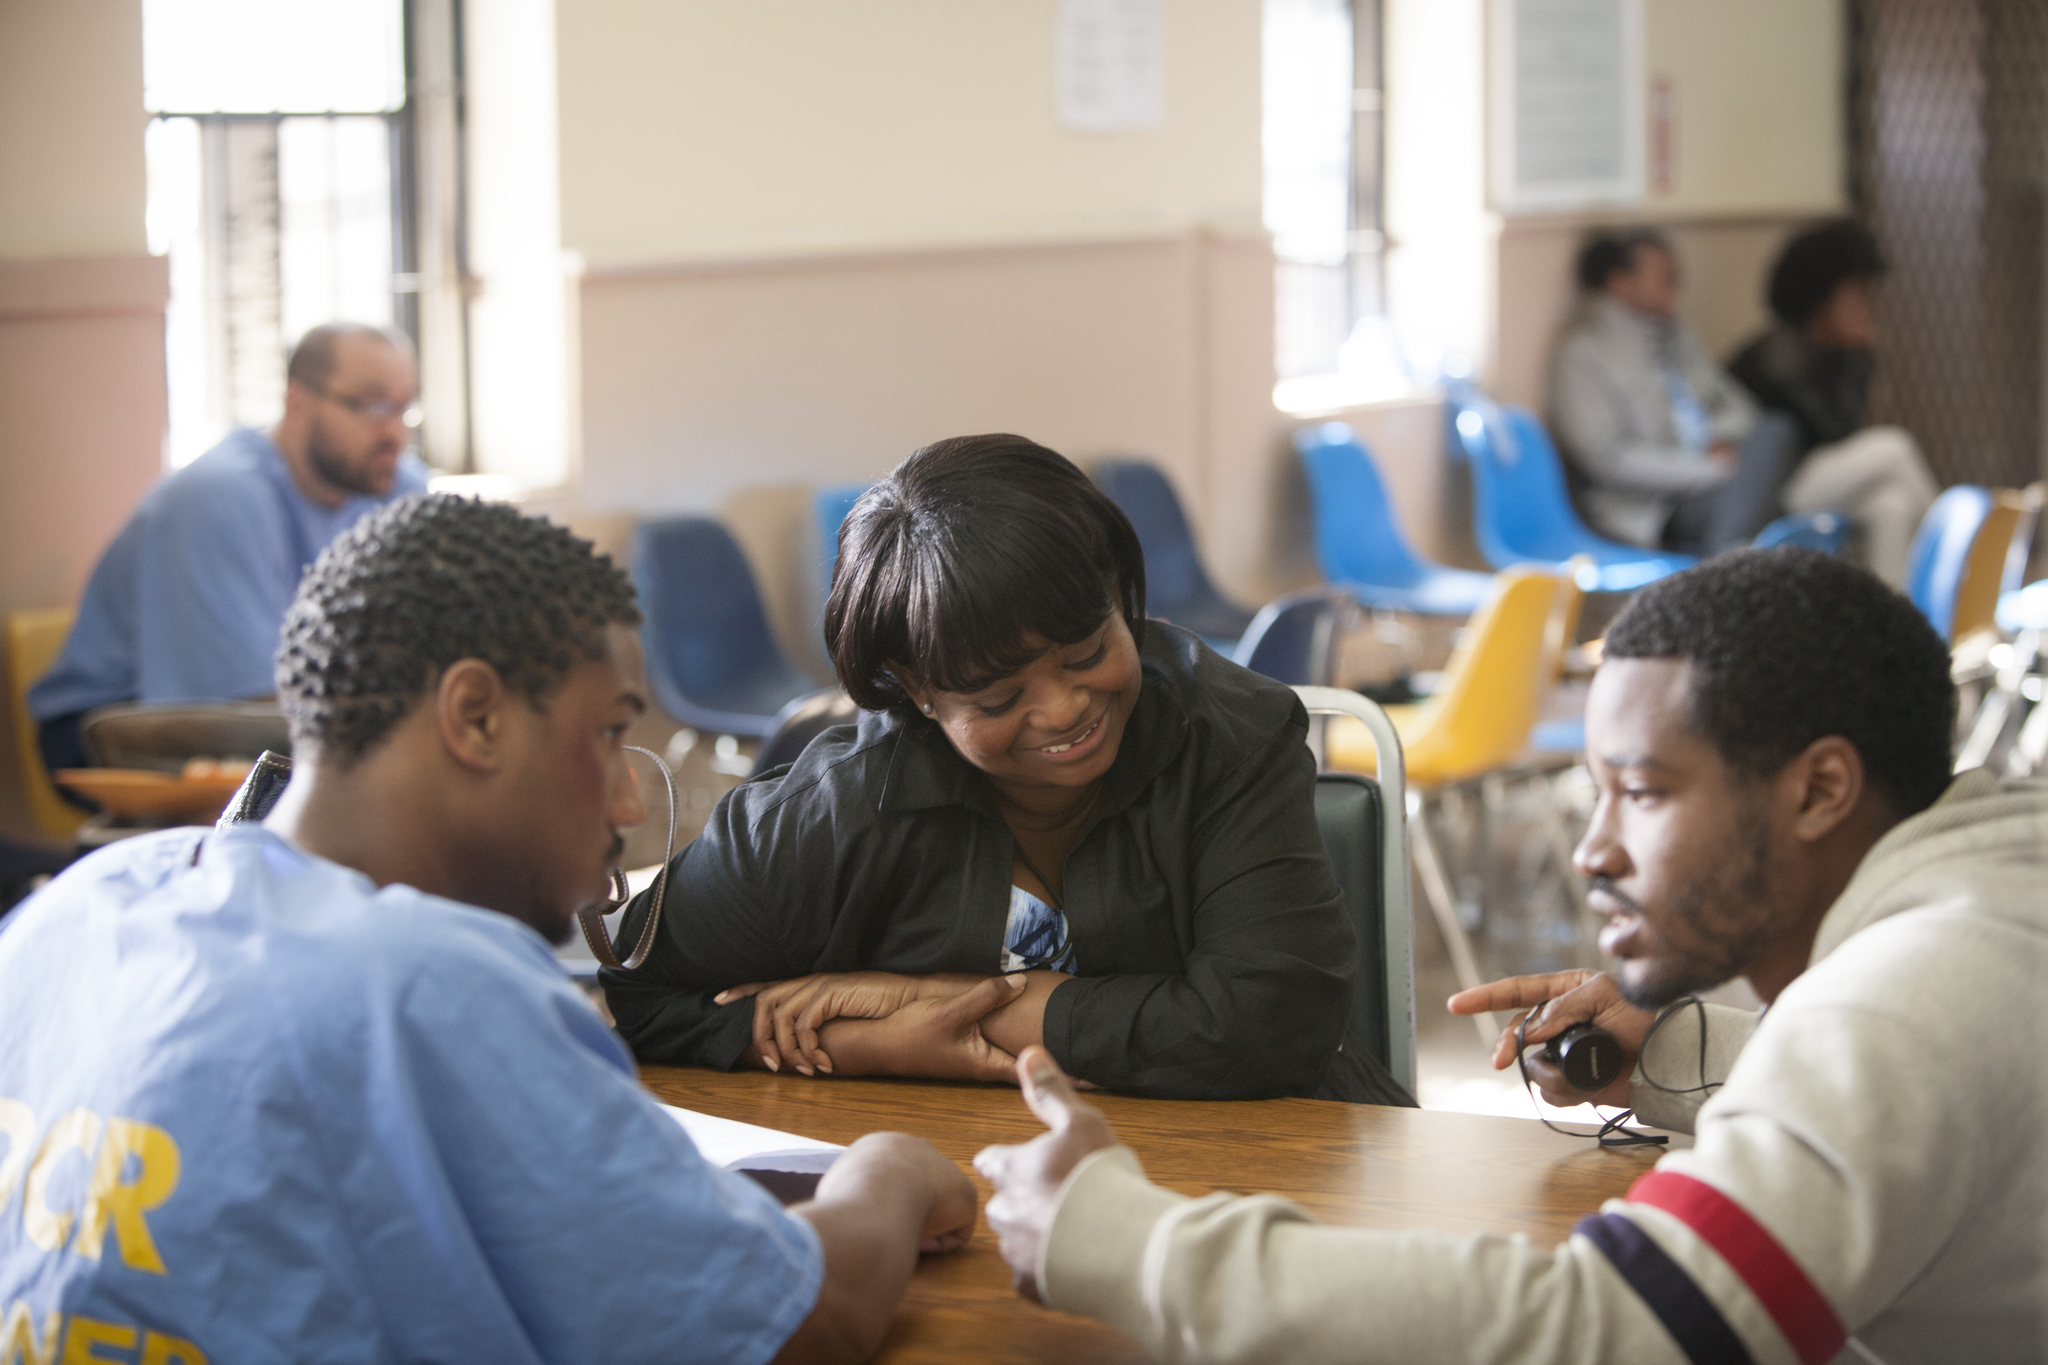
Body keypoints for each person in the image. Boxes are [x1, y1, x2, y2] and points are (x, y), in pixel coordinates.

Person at [975, 547, 2047, 1362]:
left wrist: (1126, 1241)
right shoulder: (1990, 889)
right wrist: (1685, 1053)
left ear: (1819, 789)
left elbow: (1614, 1328)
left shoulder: (1891, 1007)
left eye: (1645, 793)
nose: (1594, 849)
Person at [0, 495, 980, 1364]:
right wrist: (885, 1173)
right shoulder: (434, 984)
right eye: (607, 734)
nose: (630, 793)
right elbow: (811, 1322)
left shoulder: (78, 906)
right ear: (473, 716)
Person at [603, 434, 1400, 1104]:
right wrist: (871, 1045)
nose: (1061, 710)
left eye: (1089, 651)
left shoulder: (1231, 735)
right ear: (916, 691)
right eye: (996, 696)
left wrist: (960, 1007)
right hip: (973, 1182)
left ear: (1122, 598)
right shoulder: (837, 808)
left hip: (1274, 1167)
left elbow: (1275, 1028)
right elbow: (638, 990)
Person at [29, 322, 431, 777]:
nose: (395, 434)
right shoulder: (217, 499)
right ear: (297, 402)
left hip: (289, 713)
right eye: (372, 406)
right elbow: (239, 711)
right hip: (114, 725)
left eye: (405, 408)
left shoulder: (399, 488)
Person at [1551, 228, 1804, 555]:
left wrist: (1721, 440)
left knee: (1777, 431)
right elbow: (1609, 459)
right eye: (1662, 274)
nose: (1675, 281)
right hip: (1654, 507)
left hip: (1722, 470)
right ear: (1620, 282)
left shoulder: (1675, 334)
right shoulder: (1583, 354)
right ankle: (1731, 565)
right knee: (1772, 502)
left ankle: (1729, 561)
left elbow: (1736, 404)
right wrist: (1708, 470)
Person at [1728, 219, 1938, 588]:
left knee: (1893, 505)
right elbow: (1828, 431)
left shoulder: (1841, 354)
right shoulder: (1778, 355)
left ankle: (1896, 623)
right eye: (1853, 297)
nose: (1864, 307)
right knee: (1895, 447)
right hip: (1776, 487)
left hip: (1823, 479)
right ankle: (1956, 560)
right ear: (1820, 300)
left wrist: (1857, 355)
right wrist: (1856, 353)